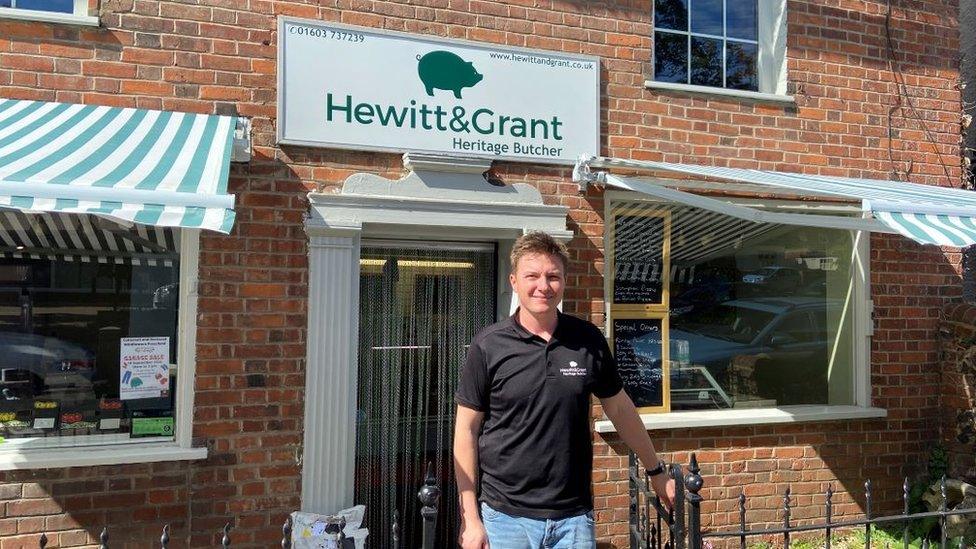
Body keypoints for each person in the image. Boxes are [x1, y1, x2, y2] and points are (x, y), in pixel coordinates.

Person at [453, 232, 675, 549]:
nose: (543, 286)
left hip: (573, 517)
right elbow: (466, 430)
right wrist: (470, 518)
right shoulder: (488, 345)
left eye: (553, 276)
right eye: (533, 276)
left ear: (564, 281)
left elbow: (621, 410)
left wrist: (656, 471)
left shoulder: (587, 339)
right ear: (514, 281)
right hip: (505, 517)